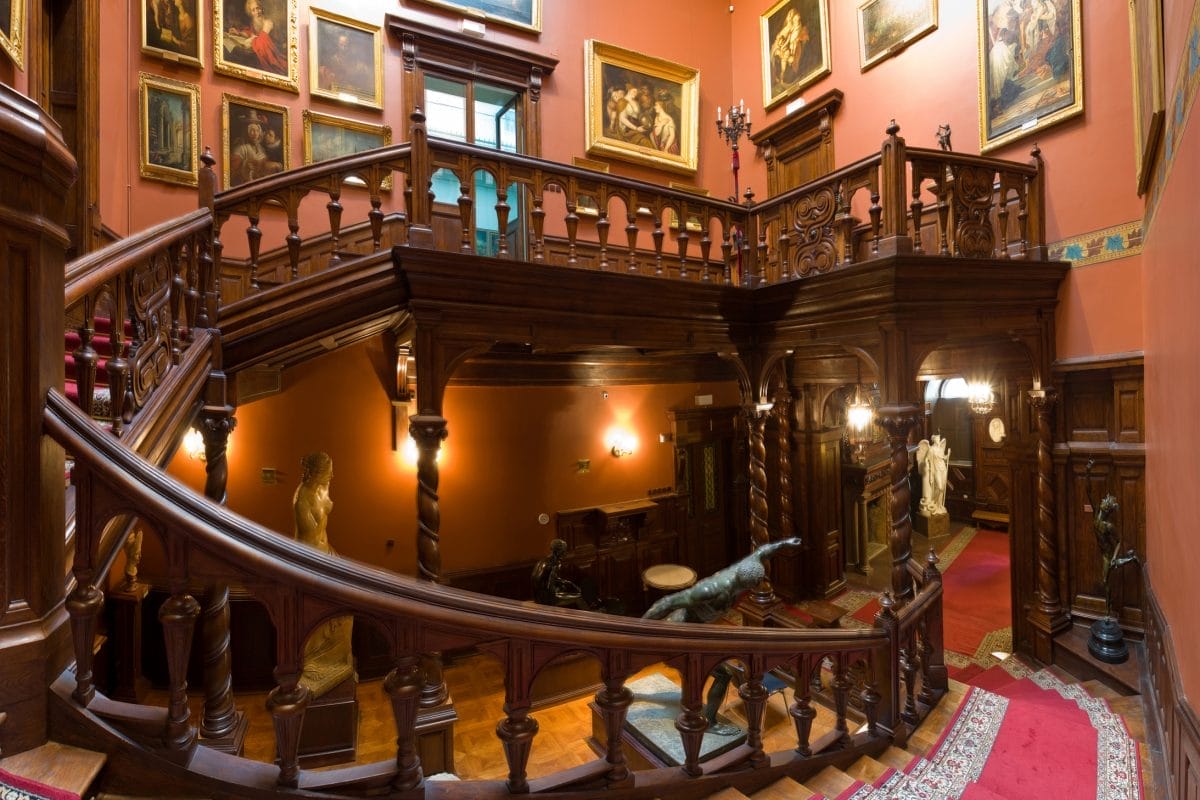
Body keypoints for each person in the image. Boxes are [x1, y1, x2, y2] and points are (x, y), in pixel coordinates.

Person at [642, 537, 802, 734]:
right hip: (679, 633)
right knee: (719, 674)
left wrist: (785, 543)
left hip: (697, 632)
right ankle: (706, 722)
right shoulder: (711, 590)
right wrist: (639, 630)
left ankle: (696, 713)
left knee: (703, 672)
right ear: (746, 584)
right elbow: (664, 603)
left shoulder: (743, 568)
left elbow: (763, 551)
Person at [292, 452, 355, 697]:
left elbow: (327, 509)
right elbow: (308, 541)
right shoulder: (302, 500)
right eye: (328, 471)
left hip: (326, 554)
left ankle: (336, 661)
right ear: (317, 472)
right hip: (312, 563)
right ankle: (314, 663)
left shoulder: (320, 490)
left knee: (346, 611)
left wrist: (325, 488)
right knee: (322, 613)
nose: (333, 475)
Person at [223, 0, 287, 74]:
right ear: (251, 13)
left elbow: (263, 39)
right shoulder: (254, 22)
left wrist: (254, 40)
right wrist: (239, 33)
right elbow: (251, 32)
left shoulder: (268, 22)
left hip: (275, 51)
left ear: (261, 9)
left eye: (258, 8)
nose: (257, 12)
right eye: (253, 10)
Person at [229, 111, 283, 186]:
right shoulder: (240, 148)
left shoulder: (261, 149)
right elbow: (232, 175)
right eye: (252, 130)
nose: (255, 133)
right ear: (246, 132)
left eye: (257, 130)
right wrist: (245, 166)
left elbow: (263, 168)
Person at [531, 539, 587, 608]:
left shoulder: (542, 561)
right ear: (558, 552)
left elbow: (548, 579)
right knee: (579, 598)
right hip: (545, 601)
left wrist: (567, 583)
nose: (565, 553)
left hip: (536, 597)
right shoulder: (554, 563)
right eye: (564, 551)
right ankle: (592, 618)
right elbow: (549, 586)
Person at [916, 434, 950, 517]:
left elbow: (944, 458)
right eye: (938, 439)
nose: (939, 440)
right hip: (936, 470)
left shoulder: (940, 449)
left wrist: (948, 455)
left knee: (943, 488)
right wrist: (926, 464)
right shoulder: (931, 450)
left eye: (939, 439)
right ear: (934, 440)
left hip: (943, 469)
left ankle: (939, 505)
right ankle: (934, 502)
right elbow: (926, 459)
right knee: (939, 487)